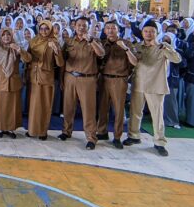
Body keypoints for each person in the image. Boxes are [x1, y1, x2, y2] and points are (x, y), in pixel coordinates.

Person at [124, 20, 182, 156]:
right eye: (146, 31)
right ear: (142, 33)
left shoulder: (163, 46)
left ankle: (159, 142)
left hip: (156, 85)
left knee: (157, 115)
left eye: (152, 31)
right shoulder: (137, 46)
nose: (148, 34)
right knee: (135, 112)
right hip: (138, 84)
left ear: (157, 33)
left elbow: (177, 59)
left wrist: (166, 48)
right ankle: (134, 135)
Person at [58, 17, 104, 150]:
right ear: (74, 26)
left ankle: (91, 138)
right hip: (70, 77)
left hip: (87, 79)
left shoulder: (95, 41)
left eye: (84, 25)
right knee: (68, 107)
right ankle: (66, 131)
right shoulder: (69, 42)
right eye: (79, 25)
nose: (81, 27)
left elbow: (101, 53)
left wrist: (91, 41)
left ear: (88, 27)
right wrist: (61, 79)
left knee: (88, 109)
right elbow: (62, 61)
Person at [96, 20, 137, 149]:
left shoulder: (126, 43)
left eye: (113, 28)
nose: (110, 30)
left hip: (119, 79)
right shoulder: (102, 43)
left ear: (118, 30)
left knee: (118, 110)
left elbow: (134, 62)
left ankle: (117, 136)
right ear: (104, 31)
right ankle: (102, 132)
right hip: (104, 78)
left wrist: (125, 48)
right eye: (108, 28)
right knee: (102, 107)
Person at [0, 27, 31, 139]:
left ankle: (11, 129)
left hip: (14, 81)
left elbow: (28, 59)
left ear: (12, 36)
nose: (6, 37)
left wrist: (19, 50)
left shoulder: (16, 47)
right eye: (3, 35)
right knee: (0, 105)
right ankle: (0, 128)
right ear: (0, 37)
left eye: (8, 34)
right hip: (1, 81)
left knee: (13, 106)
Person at [26, 21, 64, 140]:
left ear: (51, 29)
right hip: (34, 76)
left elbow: (60, 63)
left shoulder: (54, 42)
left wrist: (56, 51)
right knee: (34, 105)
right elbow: (28, 58)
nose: (43, 31)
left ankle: (43, 131)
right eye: (41, 28)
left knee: (45, 104)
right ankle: (32, 130)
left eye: (46, 29)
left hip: (47, 77)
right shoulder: (33, 41)